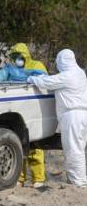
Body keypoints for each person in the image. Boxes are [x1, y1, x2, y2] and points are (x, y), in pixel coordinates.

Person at [28, 49, 87, 187]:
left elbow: (46, 83)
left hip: (73, 117)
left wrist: (32, 78)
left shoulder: (67, 76)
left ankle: (78, 183)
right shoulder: (80, 73)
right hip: (83, 115)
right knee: (79, 149)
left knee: (73, 151)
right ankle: (80, 180)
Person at [0, 43, 47, 188]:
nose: (17, 60)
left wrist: (27, 77)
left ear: (25, 56)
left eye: (19, 57)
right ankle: (20, 179)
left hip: (34, 111)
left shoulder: (37, 65)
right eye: (14, 57)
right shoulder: (11, 69)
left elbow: (44, 80)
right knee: (19, 148)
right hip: (17, 112)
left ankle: (38, 179)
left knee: (35, 147)